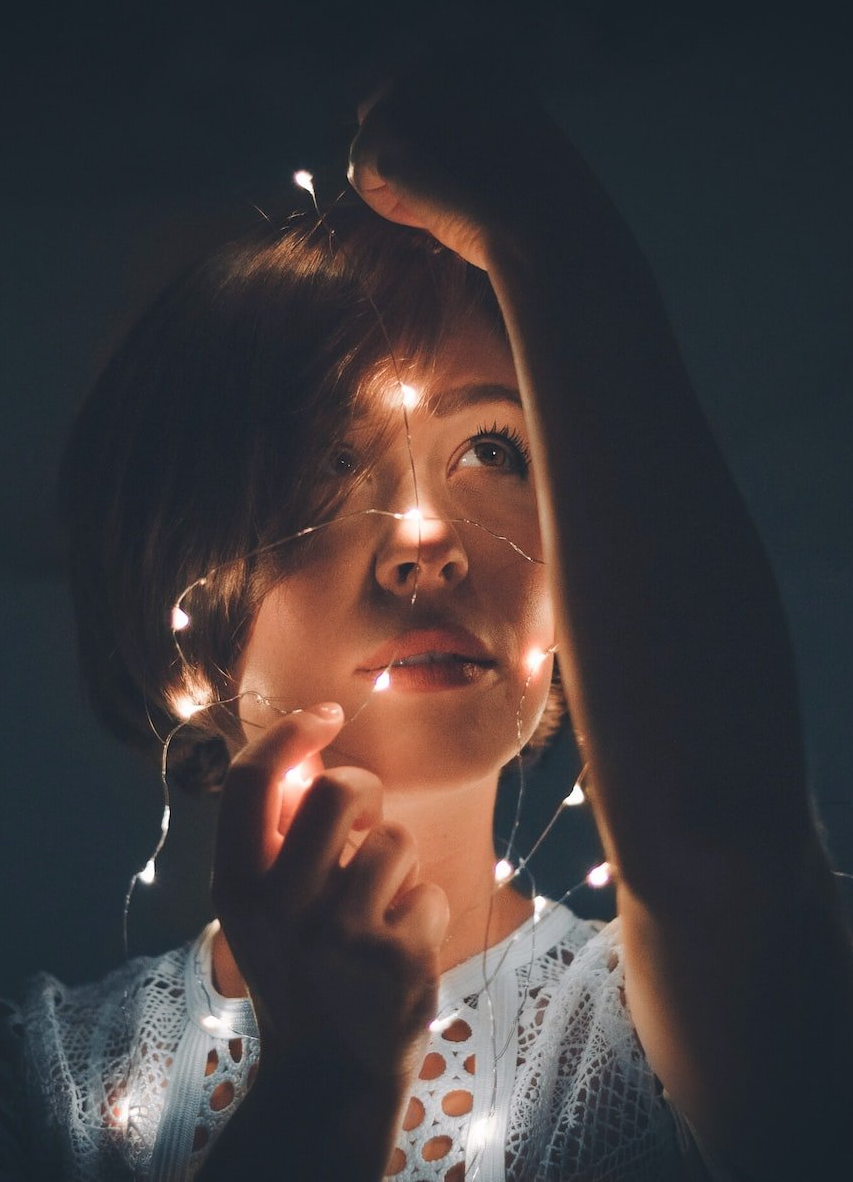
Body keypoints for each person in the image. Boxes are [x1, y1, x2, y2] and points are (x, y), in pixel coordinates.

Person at [2, 59, 852, 1182]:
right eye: (322, 465)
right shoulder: (53, 1092)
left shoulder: (686, 1036)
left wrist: (543, 228)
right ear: (180, 566)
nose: (426, 538)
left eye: (491, 450)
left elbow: (718, 845)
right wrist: (327, 1086)